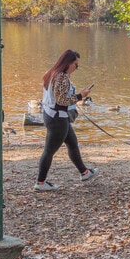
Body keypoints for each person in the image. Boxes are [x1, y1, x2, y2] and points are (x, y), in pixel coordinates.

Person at [35, 49, 98, 191]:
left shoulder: (51, 73)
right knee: (49, 151)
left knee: (72, 143)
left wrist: (78, 96)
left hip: (51, 115)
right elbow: (61, 100)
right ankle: (40, 183)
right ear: (68, 63)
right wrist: (80, 96)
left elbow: (57, 97)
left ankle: (85, 172)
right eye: (76, 65)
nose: (76, 68)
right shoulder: (62, 77)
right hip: (57, 119)